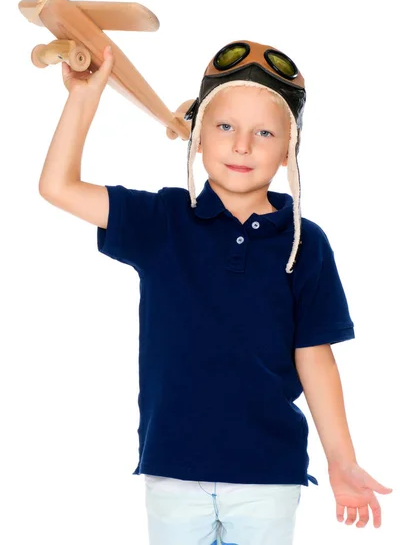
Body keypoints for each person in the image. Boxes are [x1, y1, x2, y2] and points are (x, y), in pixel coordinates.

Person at [39, 41, 393, 545]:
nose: (242, 145)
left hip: (268, 472)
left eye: (264, 132)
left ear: (290, 148)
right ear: (197, 136)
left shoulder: (303, 241)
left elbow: (315, 356)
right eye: (225, 126)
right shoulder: (162, 220)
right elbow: (58, 187)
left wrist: (342, 461)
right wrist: (82, 98)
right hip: (172, 466)